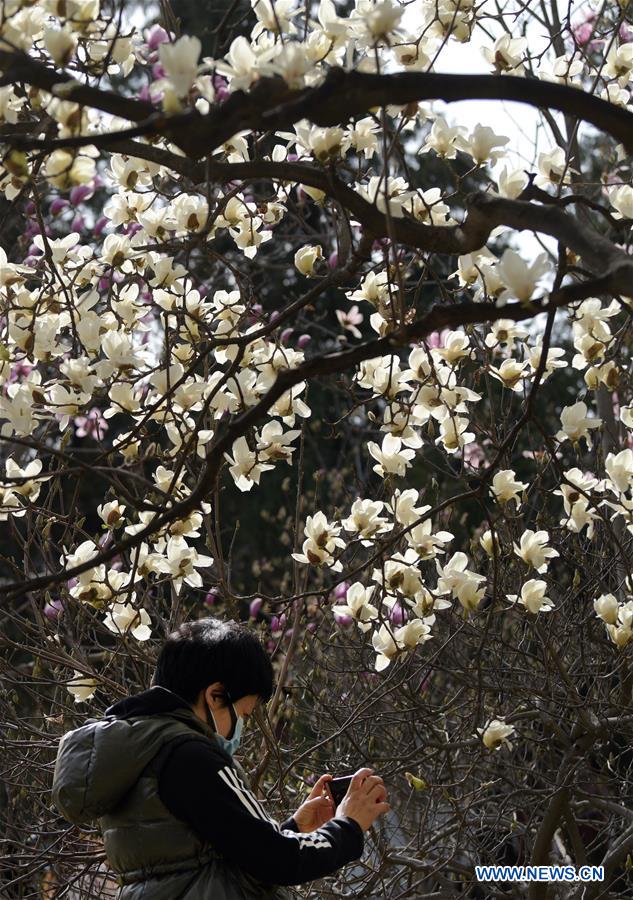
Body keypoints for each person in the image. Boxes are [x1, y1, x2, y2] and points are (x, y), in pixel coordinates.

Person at [52, 617, 390, 899]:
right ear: (215, 695)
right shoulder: (191, 755)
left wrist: (296, 827)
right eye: (243, 713)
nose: (240, 727)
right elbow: (277, 860)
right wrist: (347, 825)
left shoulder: (139, 753)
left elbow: (205, 858)